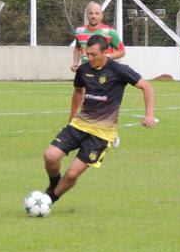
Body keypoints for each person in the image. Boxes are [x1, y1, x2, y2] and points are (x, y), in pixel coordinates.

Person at [44, 34, 155, 204]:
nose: (89, 58)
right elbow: (78, 92)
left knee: (73, 173)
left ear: (105, 52)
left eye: (93, 54)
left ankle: (48, 200)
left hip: (102, 134)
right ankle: (54, 184)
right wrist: (72, 118)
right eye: (87, 54)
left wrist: (149, 114)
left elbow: (146, 86)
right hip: (79, 125)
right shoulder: (83, 70)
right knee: (50, 156)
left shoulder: (119, 70)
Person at [71, 2, 125, 73]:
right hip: (86, 72)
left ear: (101, 16)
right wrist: (75, 63)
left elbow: (122, 51)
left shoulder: (110, 32)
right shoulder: (79, 32)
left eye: (97, 13)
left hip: (105, 72)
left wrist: (107, 56)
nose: (93, 16)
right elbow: (77, 48)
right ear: (87, 15)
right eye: (91, 13)